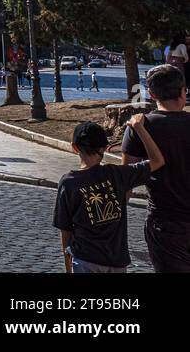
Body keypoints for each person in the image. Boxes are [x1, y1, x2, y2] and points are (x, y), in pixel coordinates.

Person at [56, 117, 162, 273]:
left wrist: (67, 266)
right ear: (105, 148)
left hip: (85, 259)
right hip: (117, 260)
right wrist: (139, 129)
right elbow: (157, 160)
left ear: (74, 148)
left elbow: (65, 229)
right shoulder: (118, 174)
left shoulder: (68, 183)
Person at [122, 64, 190, 272]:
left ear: (151, 94)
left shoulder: (140, 127)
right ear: (184, 91)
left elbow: (127, 183)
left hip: (165, 224)